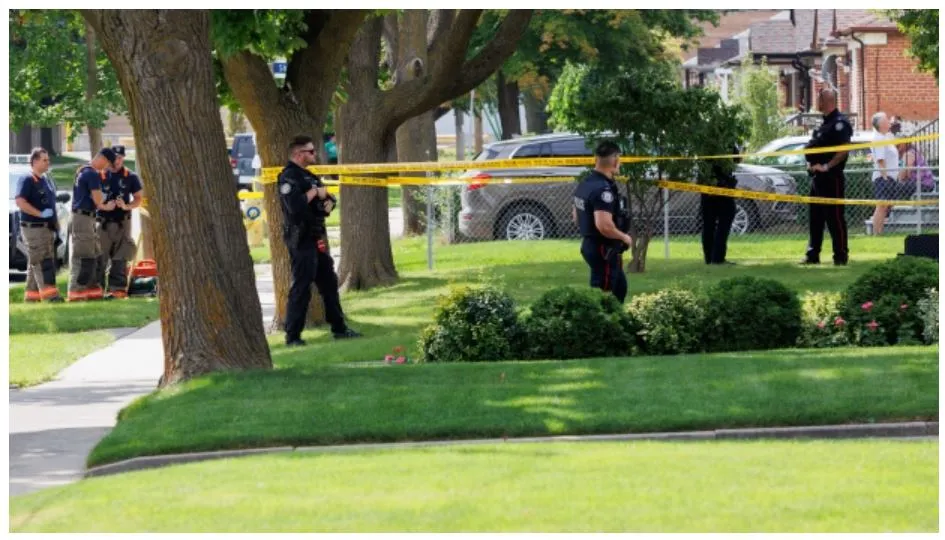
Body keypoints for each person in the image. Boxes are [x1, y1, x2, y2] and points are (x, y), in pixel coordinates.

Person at [278, 134, 360, 346]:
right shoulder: (288, 177)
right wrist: (315, 193)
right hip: (301, 239)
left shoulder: (311, 176)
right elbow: (295, 207)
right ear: (298, 154)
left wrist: (327, 203)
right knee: (302, 287)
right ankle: (293, 336)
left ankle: (339, 328)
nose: (315, 154)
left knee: (329, 283)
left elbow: (330, 200)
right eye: (311, 151)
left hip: (317, 238)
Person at [572, 140, 632, 303]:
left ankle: (616, 322)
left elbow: (576, 217)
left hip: (592, 245)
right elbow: (604, 225)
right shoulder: (602, 190)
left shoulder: (585, 184)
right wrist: (624, 237)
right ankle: (601, 325)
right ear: (615, 160)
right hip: (603, 248)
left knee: (619, 287)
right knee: (605, 293)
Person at [801, 89, 852, 266]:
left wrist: (826, 166)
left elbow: (843, 150)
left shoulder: (840, 123)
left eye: (818, 98)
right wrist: (811, 165)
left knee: (835, 217)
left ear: (825, 100)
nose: (816, 102)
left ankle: (840, 255)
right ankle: (812, 254)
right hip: (817, 179)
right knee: (815, 217)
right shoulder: (823, 124)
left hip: (832, 178)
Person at [14, 147, 64, 303]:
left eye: (48, 159)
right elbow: (20, 202)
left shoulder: (44, 180)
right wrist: (40, 214)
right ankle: (51, 296)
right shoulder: (27, 180)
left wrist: (55, 226)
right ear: (35, 161)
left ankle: (31, 297)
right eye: (44, 160)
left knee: (35, 262)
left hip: (46, 228)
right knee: (42, 261)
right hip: (33, 227)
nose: (48, 162)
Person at [68, 147, 119, 301]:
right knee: (84, 256)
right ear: (103, 158)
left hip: (86, 217)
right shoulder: (92, 174)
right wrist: (108, 206)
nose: (106, 168)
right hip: (83, 218)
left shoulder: (83, 170)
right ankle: (76, 293)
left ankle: (93, 291)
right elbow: (97, 200)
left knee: (95, 253)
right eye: (108, 164)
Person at [96, 145, 143, 299]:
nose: (117, 161)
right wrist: (103, 206)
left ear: (123, 158)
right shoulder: (100, 174)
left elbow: (138, 199)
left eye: (120, 158)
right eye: (114, 158)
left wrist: (126, 206)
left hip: (123, 222)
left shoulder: (130, 176)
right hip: (103, 222)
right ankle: (97, 289)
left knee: (120, 257)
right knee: (100, 256)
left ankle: (117, 290)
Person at [700, 146, 742, 265]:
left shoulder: (705, 142)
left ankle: (709, 258)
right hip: (722, 187)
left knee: (709, 224)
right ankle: (717, 258)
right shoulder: (727, 139)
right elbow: (737, 159)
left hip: (707, 187)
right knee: (723, 222)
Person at [867, 112, 902, 235]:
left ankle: (880, 232)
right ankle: (877, 233)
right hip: (883, 177)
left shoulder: (885, 137)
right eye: (886, 120)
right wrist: (885, 177)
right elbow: (881, 159)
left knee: (885, 206)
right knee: (881, 206)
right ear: (881, 124)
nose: (889, 122)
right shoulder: (878, 138)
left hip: (890, 177)